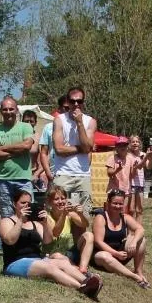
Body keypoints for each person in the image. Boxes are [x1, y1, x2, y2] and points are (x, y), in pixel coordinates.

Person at [0, 188, 103, 298]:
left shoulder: (35, 224)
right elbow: (10, 240)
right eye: (23, 203)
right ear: (15, 204)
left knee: (62, 263)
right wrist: (20, 220)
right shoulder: (6, 221)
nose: (26, 206)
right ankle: (82, 287)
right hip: (15, 263)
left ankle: (88, 281)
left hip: (37, 260)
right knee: (49, 268)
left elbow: (48, 241)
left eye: (29, 203)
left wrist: (44, 224)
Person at [0, 96, 36, 222]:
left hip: (23, 178)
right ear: (1, 111)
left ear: (17, 110)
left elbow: (27, 146)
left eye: (11, 109)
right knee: (7, 215)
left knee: (27, 215)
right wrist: (15, 152)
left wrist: (2, 148)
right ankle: (8, 240)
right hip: (3, 179)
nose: (8, 112)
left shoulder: (26, 127)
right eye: (5, 109)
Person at [50, 88, 95, 216]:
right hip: (63, 174)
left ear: (83, 102)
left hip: (83, 175)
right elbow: (59, 149)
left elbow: (87, 148)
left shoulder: (90, 122)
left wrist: (79, 123)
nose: (76, 104)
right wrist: (81, 148)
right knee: (59, 216)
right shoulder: (59, 120)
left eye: (79, 101)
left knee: (82, 218)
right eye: (72, 101)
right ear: (68, 102)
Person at [91, 189, 148, 287]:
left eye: (120, 204)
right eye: (115, 203)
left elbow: (140, 229)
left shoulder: (124, 217)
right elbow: (98, 242)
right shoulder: (101, 217)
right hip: (102, 255)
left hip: (120, 255)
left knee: (141, 240)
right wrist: (116, 254)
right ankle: (134, 276)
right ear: (108, 202)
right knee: (104, 256)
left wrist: (134, 242)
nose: (118, 206)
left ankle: (138, 271)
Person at [47, 184, 94, 274]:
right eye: (56, 199)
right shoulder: (47, 217)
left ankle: (83, 268)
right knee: (57, 255)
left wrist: (80, 213)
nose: (60, 201)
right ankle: (77, 269)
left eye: (63, 198)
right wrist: (63, 215)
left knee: (89, 235)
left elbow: (85, 224)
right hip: (54, 254)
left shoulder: (70, 214)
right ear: (50, 202)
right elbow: (56, 233)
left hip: (69, 253)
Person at [128, 136, 152, 219]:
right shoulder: (128, 156)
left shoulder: (143, 154)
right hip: (130, 184)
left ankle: (139, 230)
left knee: (139, 209)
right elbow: (138, 167)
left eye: (137, 141)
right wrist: (145, 158)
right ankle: (130, 232)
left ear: (140, 143)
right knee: (131, 210)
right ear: (130, 144)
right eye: (133, 142)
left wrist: (151, 157)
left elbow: (149, 167)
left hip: (140, 184)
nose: (135, 143)